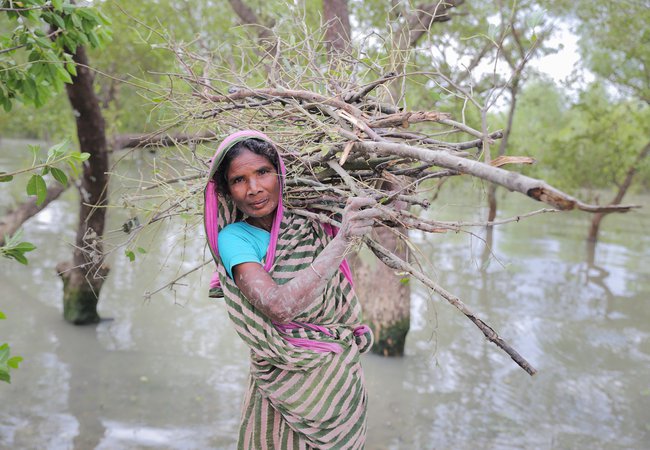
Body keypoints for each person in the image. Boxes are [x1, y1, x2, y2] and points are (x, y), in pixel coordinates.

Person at [203, 130, 381, 449]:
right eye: (239, 180)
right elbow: (278, 307)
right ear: (227, 191)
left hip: (338, 382)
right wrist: (342, 241)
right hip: (282, 381)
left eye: (262, 172)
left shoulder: (314, 221)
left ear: (281, 174)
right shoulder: (235, 239)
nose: (254, 188)